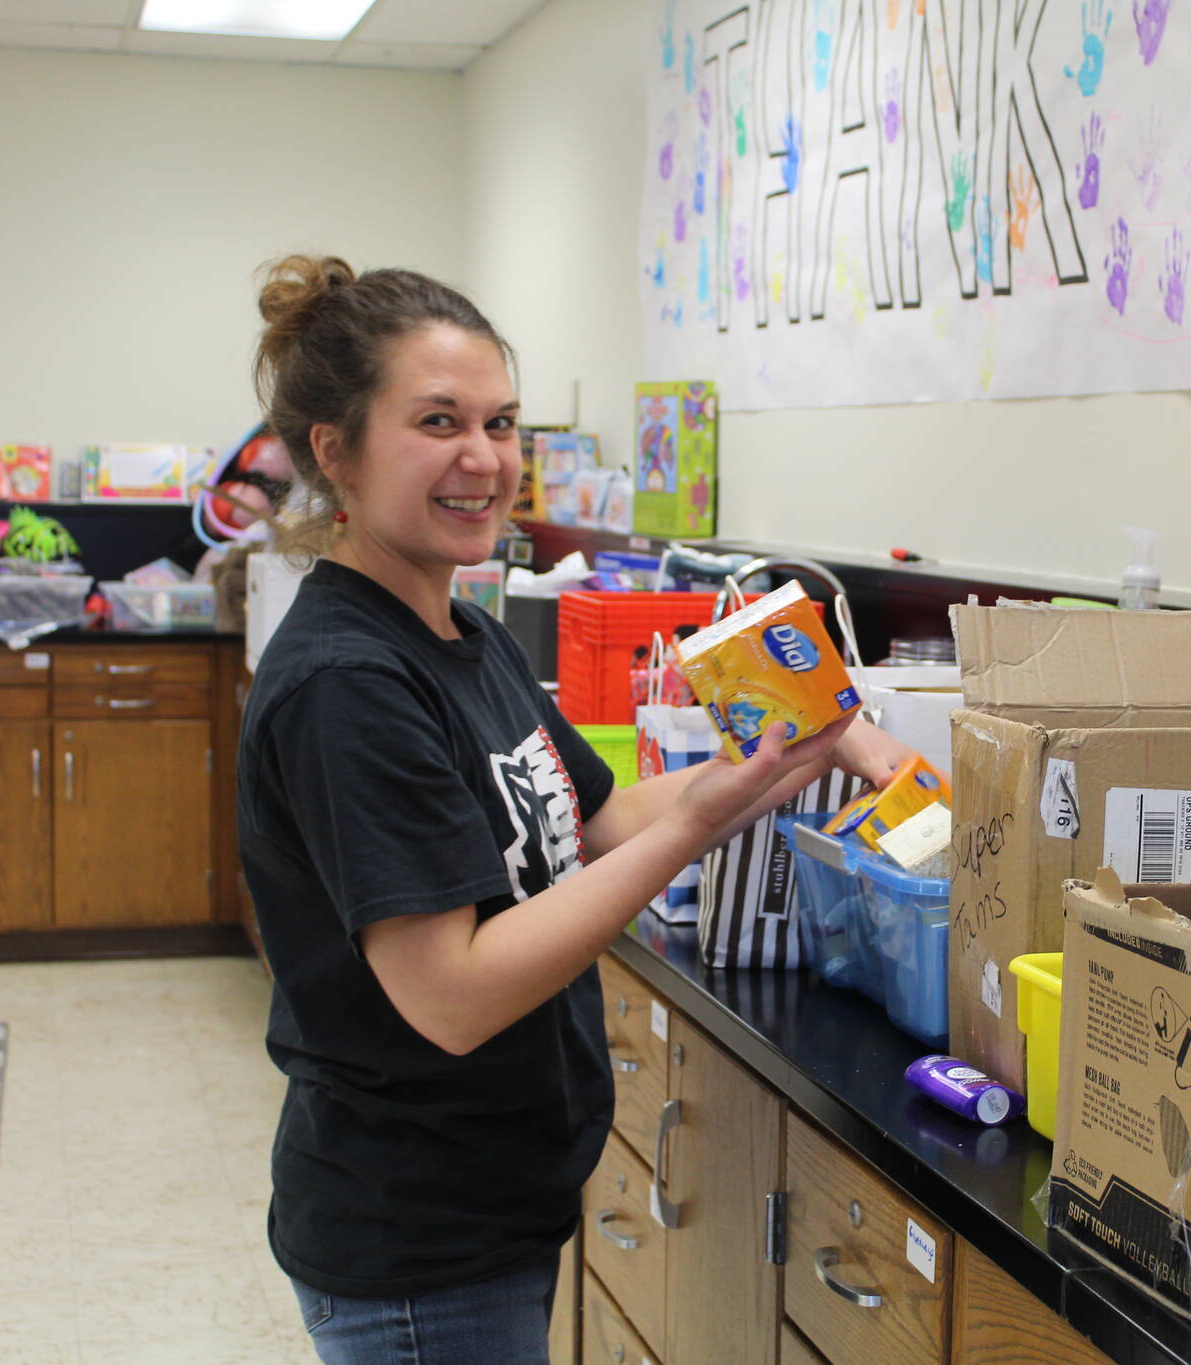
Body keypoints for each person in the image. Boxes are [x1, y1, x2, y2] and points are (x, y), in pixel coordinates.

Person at [234, 255, 913, 1364]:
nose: (482, 459)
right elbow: (450, 996)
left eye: (501, 424)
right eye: (437, 421)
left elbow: (592, 826)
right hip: (415, 1236)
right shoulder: (348, 684)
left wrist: (779, 760)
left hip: (490, 1205)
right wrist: (701, 825)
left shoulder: (463, 633)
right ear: (335, 450)